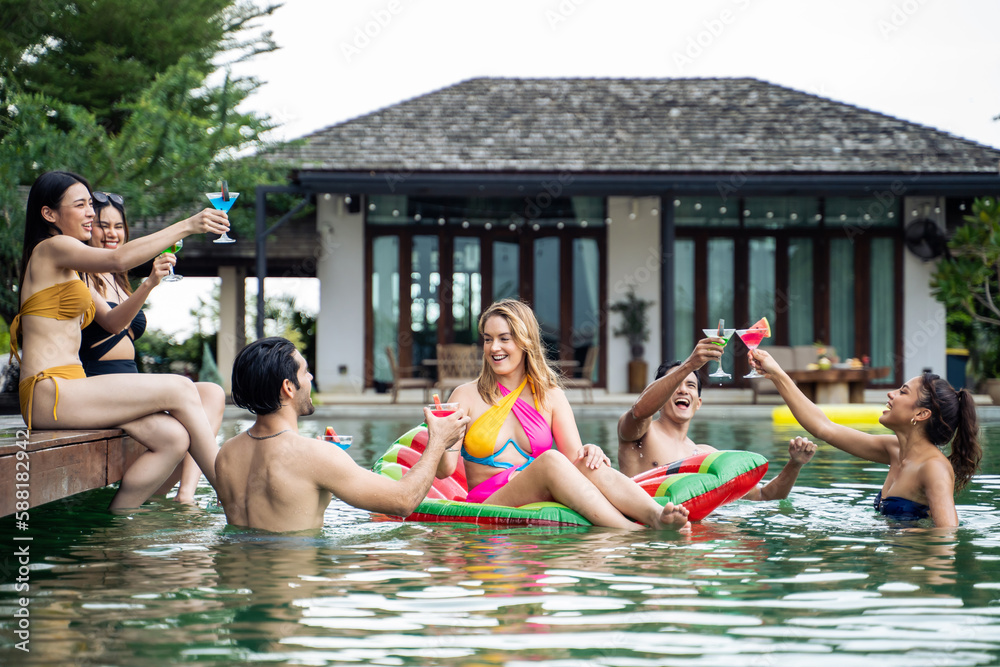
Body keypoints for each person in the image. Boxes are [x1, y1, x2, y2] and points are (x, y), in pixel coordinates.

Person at [10, 170, 230, 510]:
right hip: (48, 392)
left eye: (90, 205)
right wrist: (188, 224)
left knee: (172, 438)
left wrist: (148, 284)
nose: (90, 214)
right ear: (49, 214)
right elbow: (117, 259)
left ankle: (119, 522)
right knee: (182, 388)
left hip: (72, 388)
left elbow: (113, 320)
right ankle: (233, 496)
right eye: (81, 205)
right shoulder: (52, 247)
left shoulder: (68, 267)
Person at [440, 299, 690, 531]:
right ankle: (631, 531)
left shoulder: (550, 396)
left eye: (504, 338)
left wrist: (591, 451)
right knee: (550, 459)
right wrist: (439, 437)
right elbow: (444, 470)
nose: (494, 348)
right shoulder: (465, 396)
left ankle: (655, 514)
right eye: (487, 339)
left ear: (525, 341)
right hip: (490, 502)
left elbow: (575, 460)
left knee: (587, 461)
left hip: (541, 490)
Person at [215, 337, 471, 532]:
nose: (311, 377)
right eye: (305, 371)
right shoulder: (315, 456)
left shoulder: (226, 453)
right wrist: (437, 441)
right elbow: (403, 502)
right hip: (294, 585)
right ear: (288, 387)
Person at [80, 190, 223, 503]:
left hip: (128, 384)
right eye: (103, 226)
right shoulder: (79, 274)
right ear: (88, 228)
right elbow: (111, 323)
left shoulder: (117, 277)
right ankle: (226, 488)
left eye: (119, 227)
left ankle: (184, 495)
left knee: (212, 392)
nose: (112, 234)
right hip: (98, 384)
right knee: (179, 422)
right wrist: (149, 284)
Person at [749, 347, 982, 527]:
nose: (891, 394)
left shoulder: (934, 468)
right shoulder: (894, 449)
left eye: (903, 392)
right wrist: (776, 373)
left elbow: (947, 537)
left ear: (921, 414)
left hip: (911, 570)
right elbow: (823, 428)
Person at [618, 336, 817, 501]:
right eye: (677, 383)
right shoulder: (640, 433)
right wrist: (690, 365)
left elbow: (764, 496)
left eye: (691, 386)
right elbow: (639, 411)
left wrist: (795, 464)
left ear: (699, 403)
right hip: (647, 540)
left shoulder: (706, 456)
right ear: (660, 398)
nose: (683, 390)